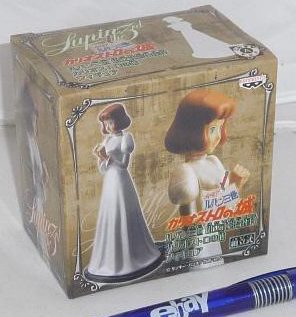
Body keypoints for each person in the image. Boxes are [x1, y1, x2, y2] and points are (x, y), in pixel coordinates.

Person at [164, 89, 250, 268]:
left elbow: (228, 208)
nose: (218, 136)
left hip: (212, 239)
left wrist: (235, 186)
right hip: (198, 244)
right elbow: (195, 222)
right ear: (192, 130)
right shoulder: (185, 171)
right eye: (212, 129)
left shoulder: (214, 161)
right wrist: (234, 186)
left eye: (220, 127)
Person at [83, 103, 164, 283]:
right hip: (110, 181)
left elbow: (123, 164)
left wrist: (107, 158)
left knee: (124, 212)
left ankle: (132, 256)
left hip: (121, 179)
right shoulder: (106, 141)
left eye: (111, 122)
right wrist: (102, 159)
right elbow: (104, 169)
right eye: (105, 124)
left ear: (119, 121)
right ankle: (111, 258)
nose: (108, 126)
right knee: (111, 213)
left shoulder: (126, 138)